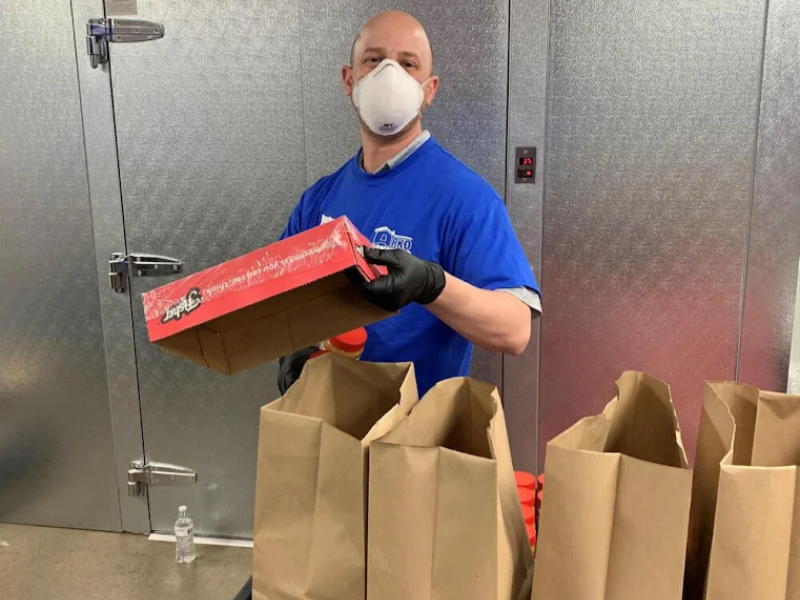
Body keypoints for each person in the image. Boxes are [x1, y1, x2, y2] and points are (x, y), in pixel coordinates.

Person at [276, 9, 541, 398]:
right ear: (349, 80)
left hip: (415, 444)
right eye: (374, 60)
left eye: (407, 64)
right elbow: (278, 304)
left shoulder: (464, 198)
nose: (389, 74)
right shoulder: (320, 199)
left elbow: (515, 330)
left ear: (429, 89)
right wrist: (291, 354)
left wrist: (430, 285)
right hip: (328, 432)